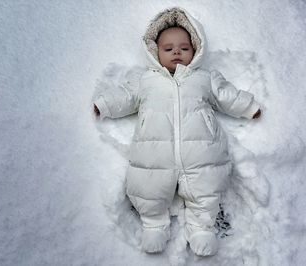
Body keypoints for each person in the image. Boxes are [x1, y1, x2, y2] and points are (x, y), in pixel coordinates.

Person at [92, 7, 261, 256]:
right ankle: (153, 225)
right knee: (147, 189)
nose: (177, 53)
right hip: (153, 155)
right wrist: (105, 104)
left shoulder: (205, 78)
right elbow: (126, 96)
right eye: (168, 49)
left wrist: (249, 106)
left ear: (195, 49)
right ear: (155, 52)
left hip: (202, 152)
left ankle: (202, 228)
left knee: (207, 188)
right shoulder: (145, 80)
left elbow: (226, 95)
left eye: (184, 47)